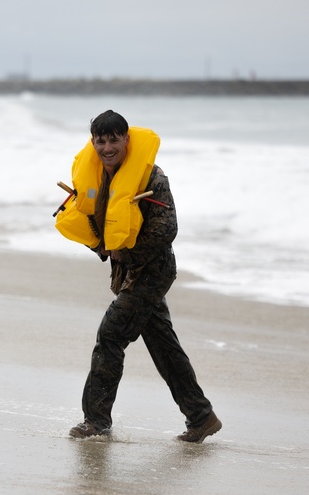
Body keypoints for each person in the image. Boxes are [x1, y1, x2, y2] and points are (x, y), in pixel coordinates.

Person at [57, 110, 222, 443]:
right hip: (129, 272)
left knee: (111, 335)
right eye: (100, 141)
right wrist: (104, 249)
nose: (106, 147)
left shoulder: (152, 178)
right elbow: (95, 226)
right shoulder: (95, 178)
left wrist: (126, 254)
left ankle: (96, 421)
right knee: (163, 346)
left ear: (126, 140)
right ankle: (201, 417)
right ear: (93, 142)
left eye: (113, 140)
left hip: (154, 271)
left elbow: (167, 229)